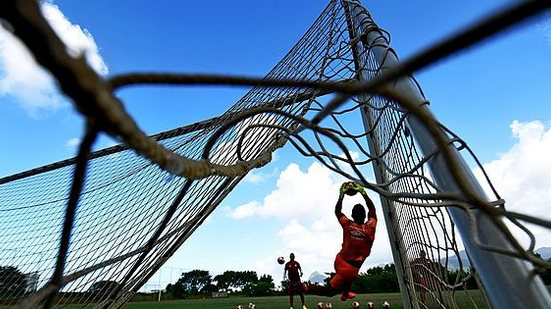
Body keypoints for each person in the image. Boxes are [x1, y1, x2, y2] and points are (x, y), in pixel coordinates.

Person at [308, 181, 377, 301]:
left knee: (349, 277)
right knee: (330, 291)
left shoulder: (348, 225)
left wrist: (341, 195)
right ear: (365, 215)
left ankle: (345, 293)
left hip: (340, 259)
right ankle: (304, 287)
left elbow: (338, 212)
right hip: (349, 268)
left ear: (351, 215)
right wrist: (363, 193)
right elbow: (372, 210)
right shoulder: (370, 227)